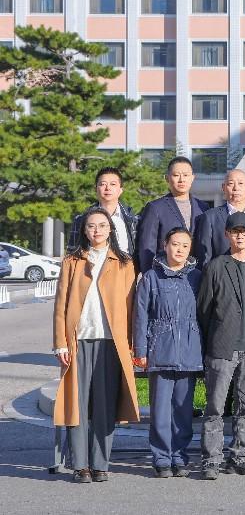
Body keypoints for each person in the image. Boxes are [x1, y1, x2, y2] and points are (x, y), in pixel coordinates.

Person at [53, 207, 139, 483]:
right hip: (77, 341)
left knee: (104, 405)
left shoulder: (124, 263)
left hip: (111, 343)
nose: (97, 230)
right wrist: (60, 343)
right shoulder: (72, 261)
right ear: (84, 230)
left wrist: (132, 344)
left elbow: (131, 308)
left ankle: (100, 464)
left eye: (102, 225)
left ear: (110, 229)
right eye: (91, 226)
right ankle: (80, 465)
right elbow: (60, 306)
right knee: (76, 403)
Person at [197, 212, 245, 479]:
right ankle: (211, 459)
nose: (240, 236)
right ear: (227, 234)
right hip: (222, 345)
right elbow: (204, 308)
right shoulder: (216, 266)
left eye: (244, 231)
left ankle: (242, 455)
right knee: (215, 406)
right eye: (235, 231)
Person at [133, 227, 203, 477]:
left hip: (189, 350)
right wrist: (140, 349)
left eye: (185, 245)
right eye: (175, 244)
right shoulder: (151, 277)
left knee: (183, 410)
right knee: (161, 410)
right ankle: (161, 457)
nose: (180, 250)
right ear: (165, 245)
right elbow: (140, 315)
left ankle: (180, 456)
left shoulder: (197, 277)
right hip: (160, 350)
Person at [136, 156, 210, 274]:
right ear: (167, 178)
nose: (181, 180)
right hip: (163, 274)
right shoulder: (155, 207)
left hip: (196, 275)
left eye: (185, 175)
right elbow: (147, 246)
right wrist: (150, 276)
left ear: (192, 178)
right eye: (176, 175)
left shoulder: (203, 208)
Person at [193, 169, 245, 268]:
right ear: (223, 187)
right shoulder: (210, 217)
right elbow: (204, 257)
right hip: (221, 275)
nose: (236, 188)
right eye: (231, 184)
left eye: (240, 183)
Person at [66, 167, 137, 258]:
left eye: (113, 184)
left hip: (125, 265)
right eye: (103, 184)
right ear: (96, 188)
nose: (108, 188)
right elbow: (71, 255)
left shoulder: (133, 220)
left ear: (120, 190)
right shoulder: (81, 220)